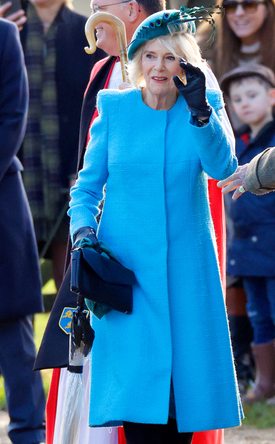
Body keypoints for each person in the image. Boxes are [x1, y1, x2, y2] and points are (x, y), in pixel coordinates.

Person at [67, 8, 242, 443]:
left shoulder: (204, 107)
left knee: (181, 407)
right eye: (149, 57)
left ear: (186, 63)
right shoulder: (114, 109)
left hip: (188, 279)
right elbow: (85, 192)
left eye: (170, 58)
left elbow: (223, 168)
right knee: (139, 410)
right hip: (126, 281)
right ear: (137, 61)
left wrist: (201, 113)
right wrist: (83, 234)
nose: (159, 67)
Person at [219, 63, 275, 404]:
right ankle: (265, 384)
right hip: (246, 251)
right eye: (237, 98)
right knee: (257, 315)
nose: (244, 103)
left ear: (273, 96)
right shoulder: (239, 144)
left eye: (252, 95)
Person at [10, 0, 104, 290]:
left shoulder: (87, 29)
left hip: (71, 173)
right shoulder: (8, 25)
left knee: (70, 280)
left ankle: (68, 338)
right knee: (14, 281)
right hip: (16, 173)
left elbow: (98, 106)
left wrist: (86, 165)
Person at [0, 18, 46, 444]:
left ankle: (30, 433)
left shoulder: (3, 36)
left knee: (14, 331)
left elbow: (12, 116)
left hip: (0, 203)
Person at [197, 0, 275, 130]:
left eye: (249, 4)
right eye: (230, 6)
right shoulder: (205, 47)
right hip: (223, 140)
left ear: (268, 7)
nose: (239, 13)